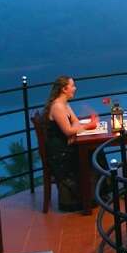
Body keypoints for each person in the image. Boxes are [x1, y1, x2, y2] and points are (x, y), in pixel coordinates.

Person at [44, 75, 96, 212]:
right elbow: (68, 130)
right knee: (92, 152)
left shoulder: (65, 104)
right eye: (72, 86)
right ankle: (85, 199)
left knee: (95, 150)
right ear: (64, 89)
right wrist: (89, 125)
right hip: (59, 151)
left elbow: (75, 122)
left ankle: (93, 195)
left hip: (66, 143)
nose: (75, 88)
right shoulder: (58, 107)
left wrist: (74, 131)